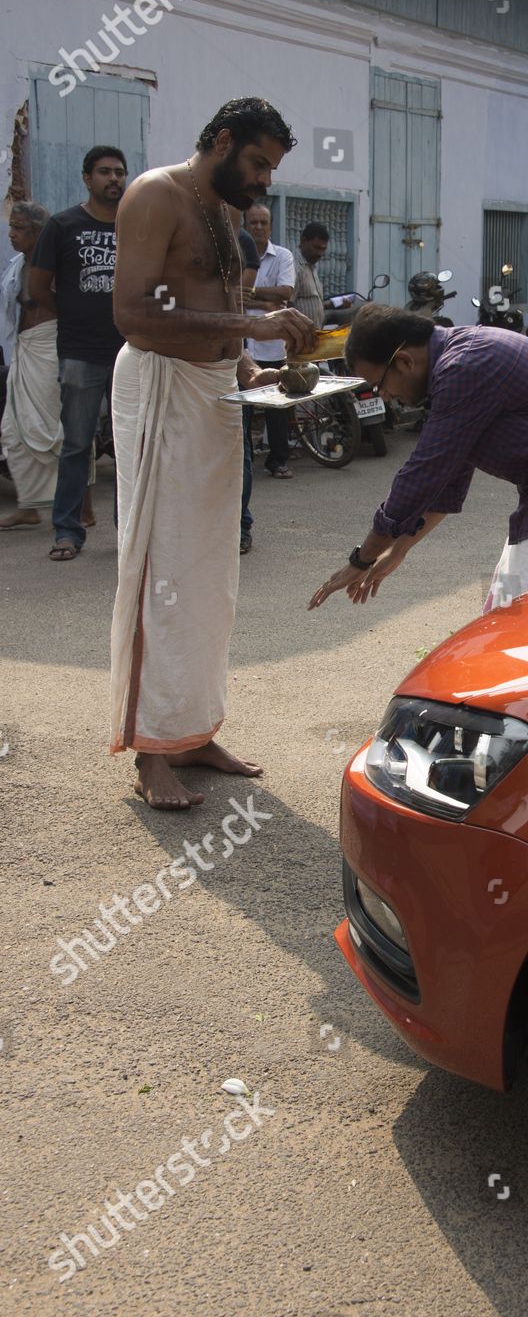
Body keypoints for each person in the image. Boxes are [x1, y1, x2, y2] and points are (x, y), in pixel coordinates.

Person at [109, 96, 314, 809]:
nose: (263, 180)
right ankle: (148, 751)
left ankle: (191, 731)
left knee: (208, 575)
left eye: (270, 169)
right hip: (161, 386)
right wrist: (248, 323)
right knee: (159, 566)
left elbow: (215, 305)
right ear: (221, 142)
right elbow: (133, 313)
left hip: (216, 391)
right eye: (257, 162)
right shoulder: (154, 195)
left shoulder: (226, 209)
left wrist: (249, 365)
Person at [307, 307, 528, 613]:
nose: (384, 396)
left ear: (405, 362)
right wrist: (399, 548)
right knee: (503, 615)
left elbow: (423, 473)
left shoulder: (465, 366)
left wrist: (361, 558)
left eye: (379, 384)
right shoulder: (456, 366)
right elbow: (447, 478)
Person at [25, 148, 128, 561]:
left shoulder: (136, 225)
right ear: (87, 178)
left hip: (128, 354)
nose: (114, 179)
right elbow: (37, 289)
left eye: (120, 172)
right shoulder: (63, 226)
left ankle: (129, 533)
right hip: (80, 352)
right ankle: (67, 531)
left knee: (129, 448)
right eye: (105, 172)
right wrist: (74, 316)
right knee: (76, 445)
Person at [0, 202, 59, 530]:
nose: (11, 234)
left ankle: (81, 506)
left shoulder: (54, 266)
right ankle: (29, 505)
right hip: (24, 350)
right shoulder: (19, 264)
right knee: (12, 431)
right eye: (12, 227)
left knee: (49, 431)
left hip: (47, 347)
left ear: (37, 233)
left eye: (19, 228)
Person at [244, 201, 296, 479]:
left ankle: (278, 460)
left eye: (264, 222)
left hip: (273, 342)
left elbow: (286, 291)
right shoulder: (238, 254)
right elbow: (231, 292)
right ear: (246, 225)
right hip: (243, 342)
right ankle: (245, 463)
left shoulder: (282, 256)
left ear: (270, 225)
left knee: (277, 405)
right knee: (244, 408)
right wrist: (267, 300)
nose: (259, 227)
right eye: (254, 222)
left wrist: (251, 295)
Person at [236, 225, 260, 554]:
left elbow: (231, 311)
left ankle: (239, 524)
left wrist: (252, 373)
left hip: (225, 371)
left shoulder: (240, 239)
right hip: (168, 374)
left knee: (237, 453)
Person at [291, 223, 329, 328]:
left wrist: (333, 304)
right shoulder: (295, 267)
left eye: (323, 249)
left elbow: (310, 301)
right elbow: (287, 305)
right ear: (303, 241)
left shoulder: (312, 266)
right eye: (316, 248)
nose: (319, 253)